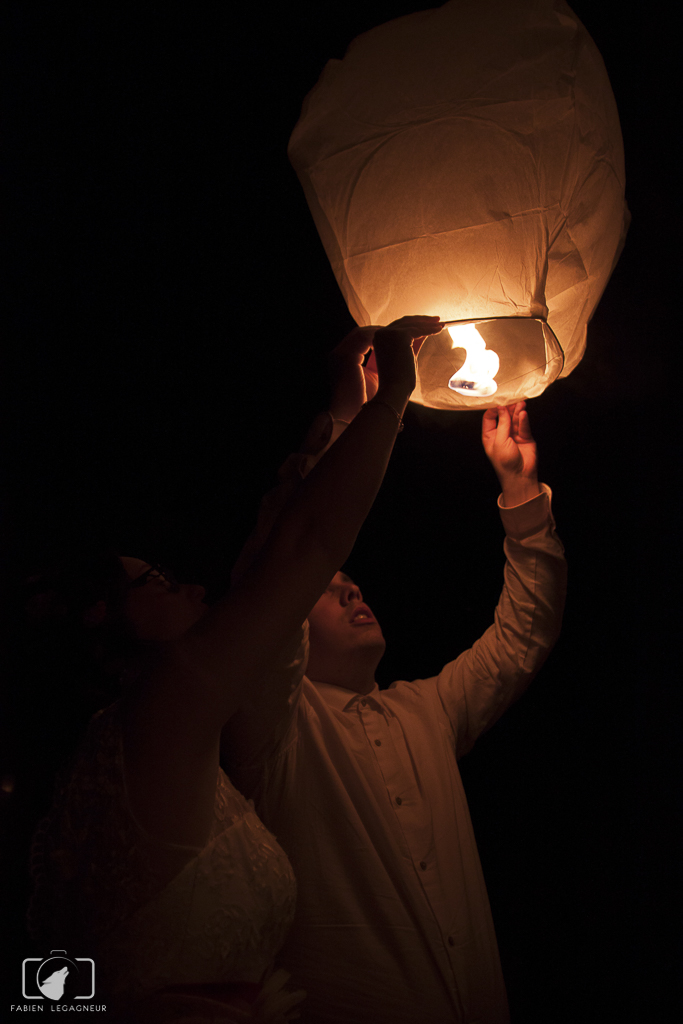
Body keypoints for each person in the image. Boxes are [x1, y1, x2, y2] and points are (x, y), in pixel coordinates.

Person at [24, 315, 443, 1024]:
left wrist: (342, 410)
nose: (191, 586)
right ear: (103, 632)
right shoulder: (157, 715)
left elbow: (273, 554)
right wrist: (391, 398)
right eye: (155, 581)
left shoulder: (161, 753)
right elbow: (300, 548)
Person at [222, 377, 568, 1023]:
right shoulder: (274, 723)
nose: (354, 593)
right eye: (330, 588)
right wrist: (345, 420)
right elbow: (278, 558)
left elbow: (525, 631)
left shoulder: (425, 711)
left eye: (352, 582)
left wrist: (520, 493)